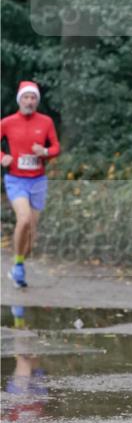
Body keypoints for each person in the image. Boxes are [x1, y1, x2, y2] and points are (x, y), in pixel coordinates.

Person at [1, 80, 60, 288]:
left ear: (37, 101)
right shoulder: (7, 122)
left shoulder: (45, 122)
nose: (29, 101)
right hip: (16, 179)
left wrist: (44, 152)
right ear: (20, 99)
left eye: (33, 97)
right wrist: (2, 157)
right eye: (26, 97)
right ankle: (17, 266)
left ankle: (19, 264)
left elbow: (55, 147)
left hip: (38, 180)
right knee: (23, 219)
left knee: (32, 235)